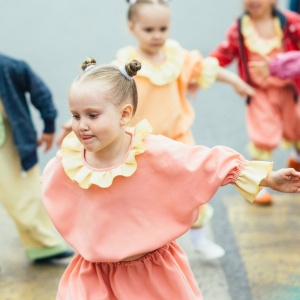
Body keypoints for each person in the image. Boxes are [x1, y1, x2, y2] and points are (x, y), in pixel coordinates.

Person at [42, 58, 300, 300]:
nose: (81, 125)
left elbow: (209, 164)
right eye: (76, 115)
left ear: (124, 114)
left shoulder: (152, 152)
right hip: (93, 276)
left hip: (151, 275)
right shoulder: (71, 161)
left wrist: (268, 178)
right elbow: (56, 192)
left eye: (92, 115)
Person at [56, 0, 255, 260]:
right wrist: (72, 123)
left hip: (179, 138)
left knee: (192, 188)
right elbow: (98, 98)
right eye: (149, 29)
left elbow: (205, 68)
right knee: (145, 195)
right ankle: (146, 242)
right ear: (132, 28)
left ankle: (198, 236)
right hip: (142, 144)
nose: (157, 35)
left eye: (163, 28)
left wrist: (236, 81)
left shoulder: (176, 57)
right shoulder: (125, 65)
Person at [209, 0, 300, 205]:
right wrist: (211, 71)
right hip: (259, 92)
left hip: (289, 88)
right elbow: (220, 56)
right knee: (262, 137)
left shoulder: (290, 23)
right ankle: (260, 181)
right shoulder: (240, 29)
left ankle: (296, 158)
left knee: (297, 127)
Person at [0, 53, 74, 263]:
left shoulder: (10, 67)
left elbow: (40, 93)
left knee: (25, 196)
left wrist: (49, 126)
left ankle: (42, 244)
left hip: (9, 141)